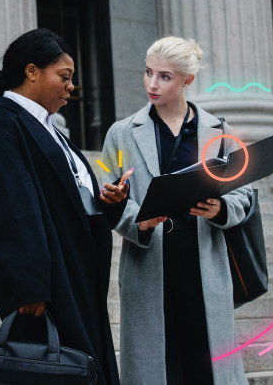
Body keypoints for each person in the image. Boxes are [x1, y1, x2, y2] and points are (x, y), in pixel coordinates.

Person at [0, 28, 131, 385]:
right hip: (48, 280)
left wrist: (110, 202)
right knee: (64, 372)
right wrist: (30, 283)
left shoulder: (48, 128)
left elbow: (72, 201)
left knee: (83, 368)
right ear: (31, 72)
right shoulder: (0, 128)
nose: (72, 87)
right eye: (65, 77)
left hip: (78, 272)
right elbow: (14, 210)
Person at [99, 36, 252, 384]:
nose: (152, 84)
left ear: (187, 80)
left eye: (165, 76)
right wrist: (134, 215)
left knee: (205, 365)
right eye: (148, 72)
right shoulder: (121, 133)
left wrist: (220, 207)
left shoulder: (219, 131)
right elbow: (106, 190)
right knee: (157, 365)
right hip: (150, 260)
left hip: (204, 263)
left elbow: (243, 191)